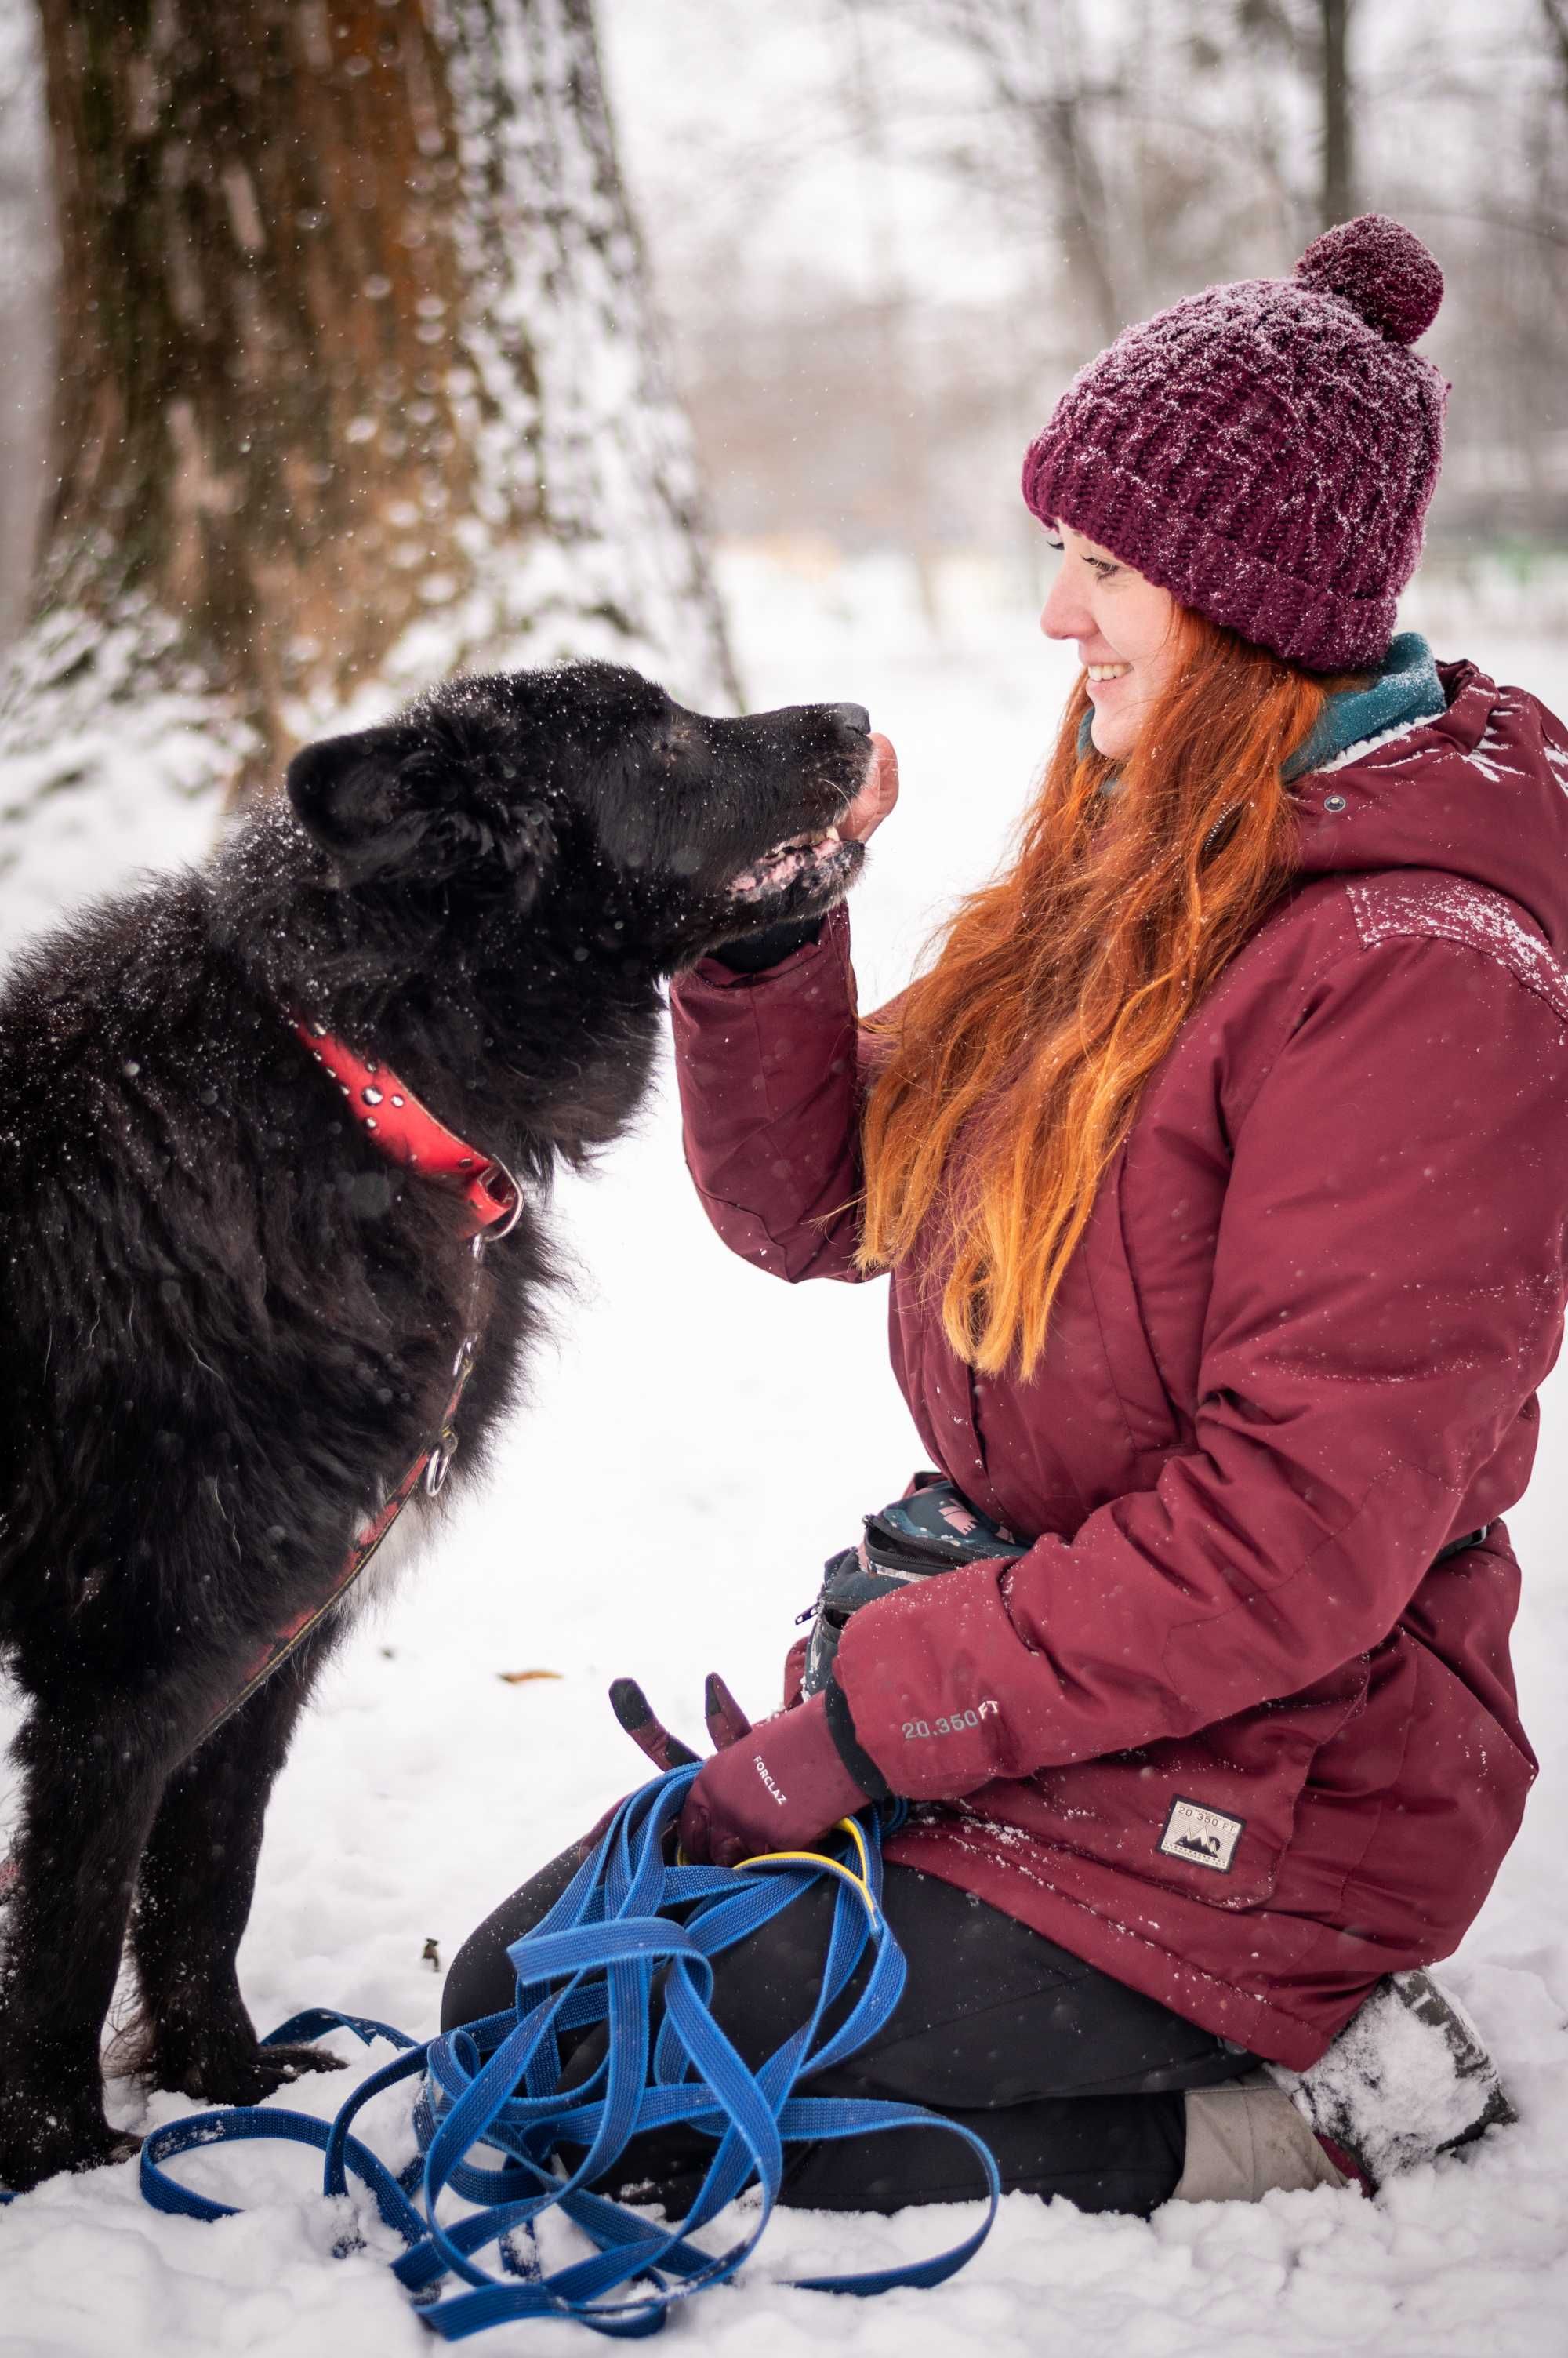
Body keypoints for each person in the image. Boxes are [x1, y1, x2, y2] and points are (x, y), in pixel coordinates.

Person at [445, 215, 1561, 2215]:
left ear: (1248, 601)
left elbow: (1290, 1546)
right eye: (1062, 551)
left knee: (598, 2084)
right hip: (1056, 1704)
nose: (1058, 614)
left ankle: (1308, 2107)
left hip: (1273, 1794)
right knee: (519, 2004)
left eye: (1107, 568)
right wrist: (763, 924)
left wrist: (865, 1728)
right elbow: (826, 1199)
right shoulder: (1153, 860)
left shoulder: (1421, 974)